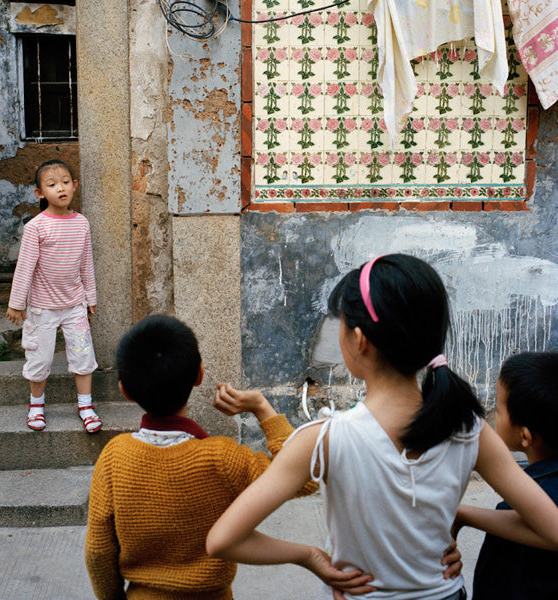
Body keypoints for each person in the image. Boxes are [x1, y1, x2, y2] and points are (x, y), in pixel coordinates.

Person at [207, 254, 558, 599]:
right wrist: (462, 514)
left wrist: (310, 557)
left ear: (359, 340)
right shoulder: (469, 429)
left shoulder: (324, 439)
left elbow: (222, 540)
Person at [85, 313, 331, 600]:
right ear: (199, 375)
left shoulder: (114, 457)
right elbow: (304, 479)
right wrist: (262, 408)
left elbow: (98, 551)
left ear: (124, 391)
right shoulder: (222, 459)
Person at [5, 159, 101, 433]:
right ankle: (36, 404)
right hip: (41, 308)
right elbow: (25, 267)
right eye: (52, 184)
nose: (61, 188)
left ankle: (86, 405)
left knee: (83, 356)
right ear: (39, 193)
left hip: (74, 306)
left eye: (66, 182)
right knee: (40, 359)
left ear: (75, 186)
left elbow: (86, 264)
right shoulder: (36, 227)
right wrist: (16, 303)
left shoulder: (81, 223)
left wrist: (90, 298)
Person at [457, 351, 558, 600]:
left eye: (499, 410)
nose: (493, 415)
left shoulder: (525, 515)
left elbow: (495, 587)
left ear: (525, 436)